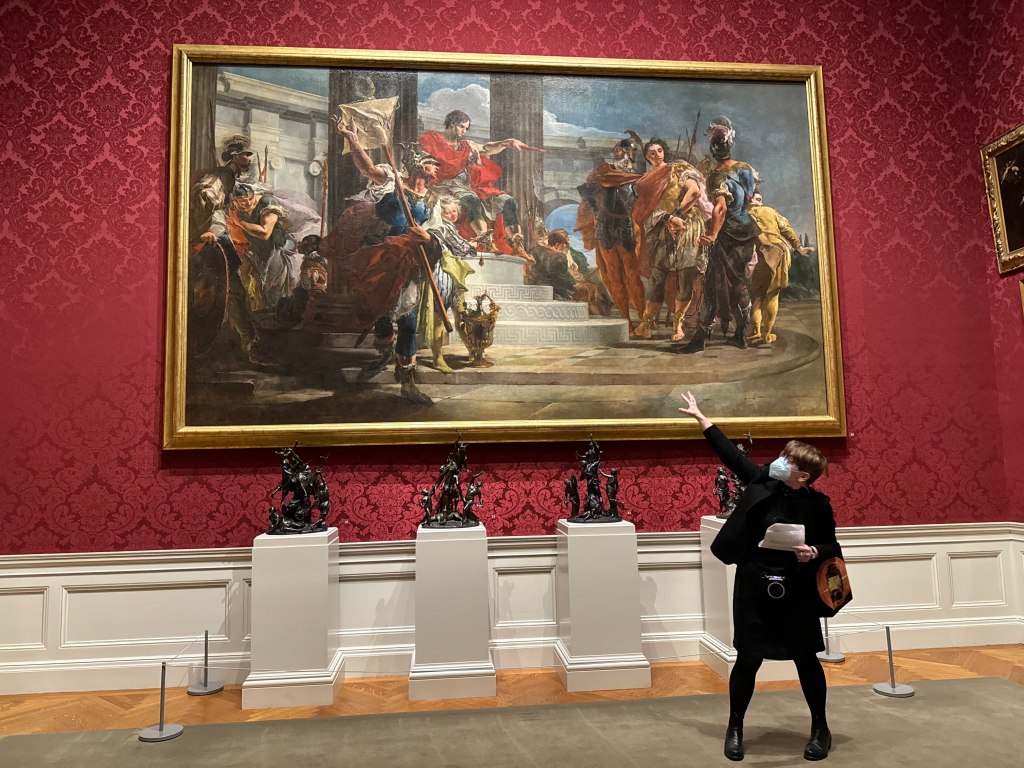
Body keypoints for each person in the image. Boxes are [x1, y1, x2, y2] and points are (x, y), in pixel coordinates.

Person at [678, 391, 838, 762]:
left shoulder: (818, 504)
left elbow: (830, 544)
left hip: (797, 589)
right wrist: (702, 419)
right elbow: (731, 456)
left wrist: (813, 551)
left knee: (806, 659)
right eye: (783, 456)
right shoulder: (761, 482)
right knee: (748, 658)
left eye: (789, 461)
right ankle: (734, 727)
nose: (780, 461)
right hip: (754, 584)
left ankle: (820, 728)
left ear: (803, 475)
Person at [679, 117, 761, 354]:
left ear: (714, 149)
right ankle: (740, 334)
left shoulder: (716, 176)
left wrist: (713, 234)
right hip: (746, 229)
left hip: (727, 233)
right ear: (729, 145)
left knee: (713, 283)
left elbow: (721, 208)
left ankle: (700, 339)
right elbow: (748, 197)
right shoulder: (745, 168)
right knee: (738, 282)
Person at [632, 137, 713, 341]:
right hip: (664, 226)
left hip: (688, 226)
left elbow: (694, 192)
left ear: (664, 151)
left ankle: (678, 324)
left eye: (659, 150)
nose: (656, 155)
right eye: (651, 153)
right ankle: (647, 323)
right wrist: (669, 218)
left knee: (686, 277)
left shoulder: (678, 169)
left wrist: (677, 213)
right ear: (646, 157)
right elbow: (647, 211)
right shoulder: (645, 181)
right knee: (657, 276)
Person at [418, 109, 529, 252]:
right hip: (443, 186)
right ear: (452, 124)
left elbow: (486, 148)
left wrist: (507, 142)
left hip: (466, 186)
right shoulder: (432, 139)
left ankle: (518, 245)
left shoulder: (466, 146)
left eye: (466, 128)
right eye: (462, 126)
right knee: (471, 199)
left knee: (509, 202)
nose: (464, 130)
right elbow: (420, 162)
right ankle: (487, 242)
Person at [746, 192, 813, 345]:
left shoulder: (743, 215)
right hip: (778, 252)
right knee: (773, 295)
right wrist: (799, 247)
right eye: (760, 199)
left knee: (757, 296)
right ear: (758, 201)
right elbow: (786, 228)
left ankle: (754, 332)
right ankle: (766, 335)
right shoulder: (770, 211)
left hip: (757, 255)